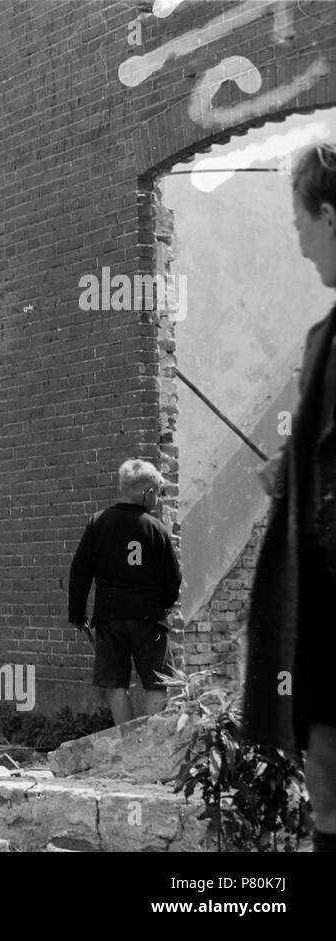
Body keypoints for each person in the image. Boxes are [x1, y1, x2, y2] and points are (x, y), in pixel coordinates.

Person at [243, 142, 336, 852]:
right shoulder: (322, 340)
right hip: (323, 618)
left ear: (329, 217)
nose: (301, 249)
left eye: (301, 228)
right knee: (327, 783)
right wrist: (293, 469)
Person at [68, 458, 182, 726]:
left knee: (115, 682)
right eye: (158, 493)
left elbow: (80, 571)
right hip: (148, 616)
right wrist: (164, 605)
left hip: (110, 616)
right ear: (149, 494)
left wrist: (77, 612)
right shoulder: (156, 528)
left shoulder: (98, 523)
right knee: (156, 680)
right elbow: (173, 577)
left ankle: (127, 742)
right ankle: (153, 742)